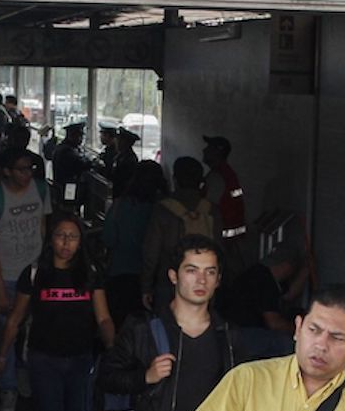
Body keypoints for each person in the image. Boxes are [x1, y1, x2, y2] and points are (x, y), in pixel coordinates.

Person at [183, 283, 345, 411]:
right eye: (314, 330)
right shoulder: (247, 380)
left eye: (336, 338)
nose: (321, 344)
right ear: (298, 328)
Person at [98, 235, 242, 411]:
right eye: (192, 270)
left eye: (210, 272)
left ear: (218, 280)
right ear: (174, 276)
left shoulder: (227, 334)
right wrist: (145, 377)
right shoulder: (143, 329)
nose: (201, 280)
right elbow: (107, 378)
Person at [0, 213, 115, 411]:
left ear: (80, 241)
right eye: (61, 235)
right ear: (51, 239)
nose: (66, 242)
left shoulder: (91, 273)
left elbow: (103, 318)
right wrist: (2, 356)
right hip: (44, 360)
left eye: (73, 237)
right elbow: (15, 320)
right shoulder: (34, 273)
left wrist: (113, 350)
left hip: (80, 359)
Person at [0, 148, 52, 411]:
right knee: (7, 335)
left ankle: (23, 376)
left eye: (30, 169)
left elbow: (43, 230)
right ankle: (8, 388)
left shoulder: (41, 190)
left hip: (35, 275)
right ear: (7, 171)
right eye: (21, 169)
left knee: (32, 333)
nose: (27, 174)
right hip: (8, 277)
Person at [140, 156, 220, 311]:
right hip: (204, 283)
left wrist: (146, 286)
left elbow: (151, 252)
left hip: (168, 282)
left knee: (165, 329)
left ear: (175, 179)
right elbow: (219, 248)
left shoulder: (163, 209)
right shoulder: (212, 210)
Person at [99, 160, 167, 328]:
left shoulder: (120, 205)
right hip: (153, 278)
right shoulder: (163, 209)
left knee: (120, 325)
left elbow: (108, 238)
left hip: (120, 272)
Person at [216, 243, 306, 359]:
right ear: (286, 266)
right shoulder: (264, 279)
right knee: (287, 345)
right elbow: (274, 324)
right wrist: (301, 332)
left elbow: (288, 295)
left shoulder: (258, 273)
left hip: (233, 329)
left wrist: (306, 270)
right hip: (240, 332)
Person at [202, 135, 249, 275]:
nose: (204, 150)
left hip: (221, 242)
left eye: (208, 147)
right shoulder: (227, 174)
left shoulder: (217, 178)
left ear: (217, 152)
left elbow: (208, 210)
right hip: (230, 241)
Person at [52, 121, 93, 210]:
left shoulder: (65, 147)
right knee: (69, 208)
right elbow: (82, 164)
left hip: (66, 186)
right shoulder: (66, 151)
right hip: (68, 187)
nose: (81, 139)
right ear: (72, 136)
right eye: (79, 136)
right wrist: (92, 161)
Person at [110, 127, 140, 199]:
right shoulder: (120, 155)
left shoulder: (130, 159)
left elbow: (123, 180)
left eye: (119, 140)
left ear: (124, 142)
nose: (116, 142)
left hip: (123, 196)